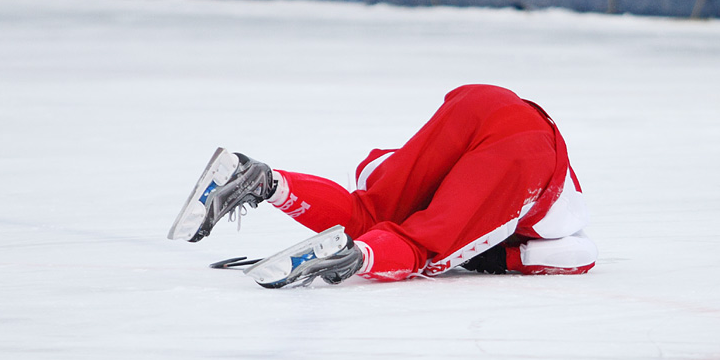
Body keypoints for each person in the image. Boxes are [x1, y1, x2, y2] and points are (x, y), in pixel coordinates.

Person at [167, 84, 597, 288]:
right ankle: (350, 257)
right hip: (529, 155)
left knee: (369, 212)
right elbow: (579, 254)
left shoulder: (387, 171)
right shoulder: (562, 215)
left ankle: (261, 179)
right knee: (422, 247)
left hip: (486, 100)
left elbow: (373, 178)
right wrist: (494, 259)